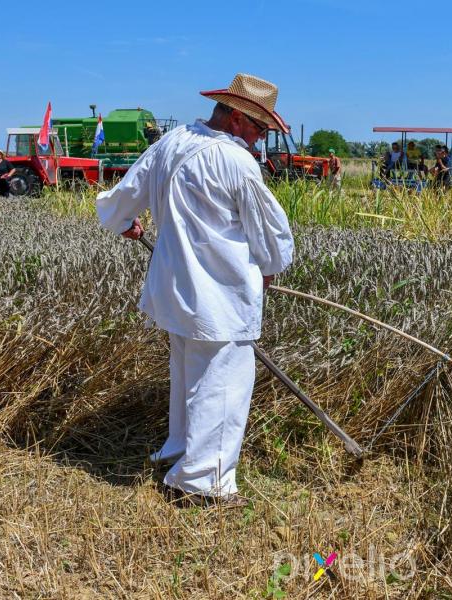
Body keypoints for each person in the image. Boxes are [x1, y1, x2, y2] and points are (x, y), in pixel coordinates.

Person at [96, 73, 294, 508]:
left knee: (189, 376)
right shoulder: (237, 162)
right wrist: (270, 268)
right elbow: (271, 236)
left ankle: (180, 451)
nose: (260, 139)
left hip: (174, 288)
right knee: (222, 385)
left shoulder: (172, 142)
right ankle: (203, 483)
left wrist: (122, 222)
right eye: (260, 129)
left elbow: (123, 196)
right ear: (238, 119)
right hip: (219, 293)